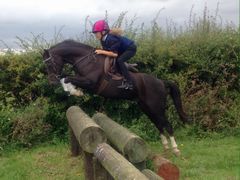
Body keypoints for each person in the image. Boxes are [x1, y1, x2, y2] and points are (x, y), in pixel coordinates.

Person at [92, 20, 137, 90]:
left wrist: (101, 52)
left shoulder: (111, 38)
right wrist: (100, 50)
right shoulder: (103, 39)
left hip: (130, 48)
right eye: (94, 33)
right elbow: (107, 50)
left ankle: (129, 83)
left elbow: (114, 54)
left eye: (96, 33)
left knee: (120, 60)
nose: (95, 35)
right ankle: (127, 66)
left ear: (103, 32)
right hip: (122, 49)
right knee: (117, 60)